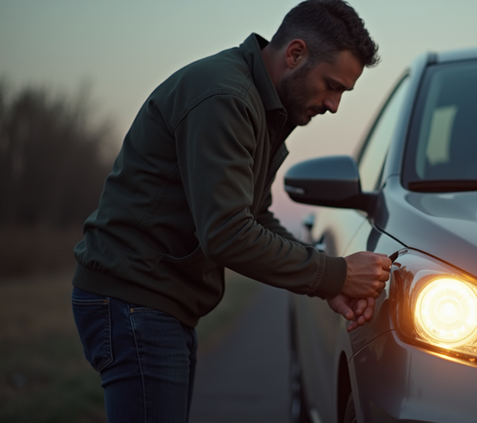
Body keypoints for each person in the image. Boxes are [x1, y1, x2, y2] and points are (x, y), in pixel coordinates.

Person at [70, 1, 389, 421]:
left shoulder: (262, 105)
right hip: (134, 300)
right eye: (332, 86)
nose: (333, 105)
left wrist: (332, 281)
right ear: (295, 54)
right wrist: (337, 273)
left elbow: (254, 216)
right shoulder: (225, 97)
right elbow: (227, 234)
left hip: (155, 303)